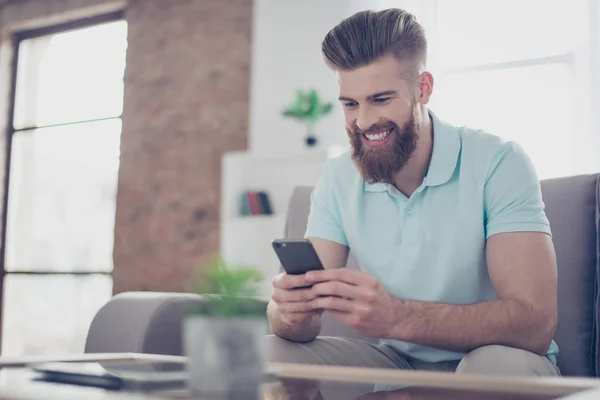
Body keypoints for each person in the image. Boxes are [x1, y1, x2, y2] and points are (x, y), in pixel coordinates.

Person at [266, 8, 560, 377]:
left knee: (494, 367)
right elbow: (298, 323)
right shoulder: (338, 177)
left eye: (381, 99)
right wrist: (289, 311)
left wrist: (398, 318)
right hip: (397, 362)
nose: (363, 121)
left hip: (495, 357)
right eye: (350, 104)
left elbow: (535, 323)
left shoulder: (499, 163)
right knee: (271, 351)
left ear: (423, 88)